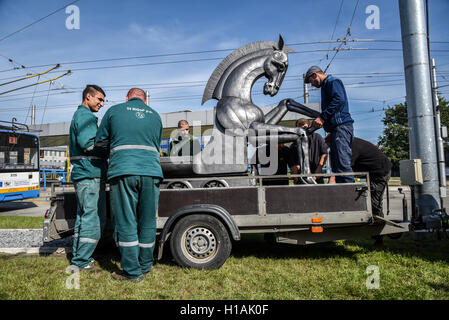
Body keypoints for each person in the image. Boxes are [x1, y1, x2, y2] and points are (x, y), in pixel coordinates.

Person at [95, 88, 163, 282]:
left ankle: (132, 272)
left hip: (124, 170)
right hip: (151, 172)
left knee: (127, 220)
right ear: (144, 99)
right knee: (148, 220)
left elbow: (100, 143)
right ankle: (145, 264)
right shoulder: (156, 116)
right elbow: (155, 145)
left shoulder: (115, 111)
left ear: (127, 98)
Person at [69, 84, 108, 271]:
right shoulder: (85, 116)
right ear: (88, 97)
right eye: (99, 99)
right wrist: (110, 144)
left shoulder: (80, 115)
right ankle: (83, 261)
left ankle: (79, 257)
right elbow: (89, 144)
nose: (102, 104)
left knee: (84, 217)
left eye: (103, 101)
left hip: (85, 174)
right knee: (92, 218)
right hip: (89, 173)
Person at [305, 65, 354, 183]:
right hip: (338, 129)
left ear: (315, 75)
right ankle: (345, 193)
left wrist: (322, 117)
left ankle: (350, 194)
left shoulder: (332, 82)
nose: (312, 85)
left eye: (311, 82)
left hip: (341, 127)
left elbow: (339, 99)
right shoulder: (327, 85)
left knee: (342, 165)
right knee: (337, 167)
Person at [326, 136, 392, 218]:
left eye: (330, 146)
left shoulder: (351, 147)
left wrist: (332, 179)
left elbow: (345, 167)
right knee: (367, 198)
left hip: (381, 171)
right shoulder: (345, 143)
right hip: (370, 170)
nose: (330, 148)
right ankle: (371, 219)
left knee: (374, 201)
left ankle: (377, 223)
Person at [288, 118, 328, 184]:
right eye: (300, 129)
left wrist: (319, 168)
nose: (303, 131)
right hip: (301, 178)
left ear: (309, 127)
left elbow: (324, 153)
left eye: (305, 128)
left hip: (316, 174)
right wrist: (295, 169)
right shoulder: (293, 145)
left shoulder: (318, 137)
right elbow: (292, 162)